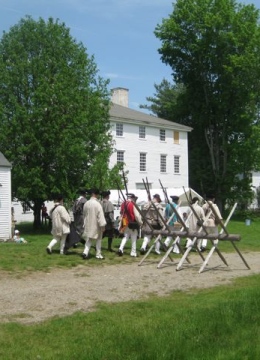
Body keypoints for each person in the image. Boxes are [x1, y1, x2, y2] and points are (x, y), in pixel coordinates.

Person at [82, 188, 106, 259]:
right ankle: (98, 254)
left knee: (89, 239)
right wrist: (103, 225)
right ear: (96, 194)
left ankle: (85, 252)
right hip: (96, 225)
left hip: (88, 223)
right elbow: (100, 216)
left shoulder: (86, 203)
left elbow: (84, 214)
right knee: (98, 240)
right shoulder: (97, 204)